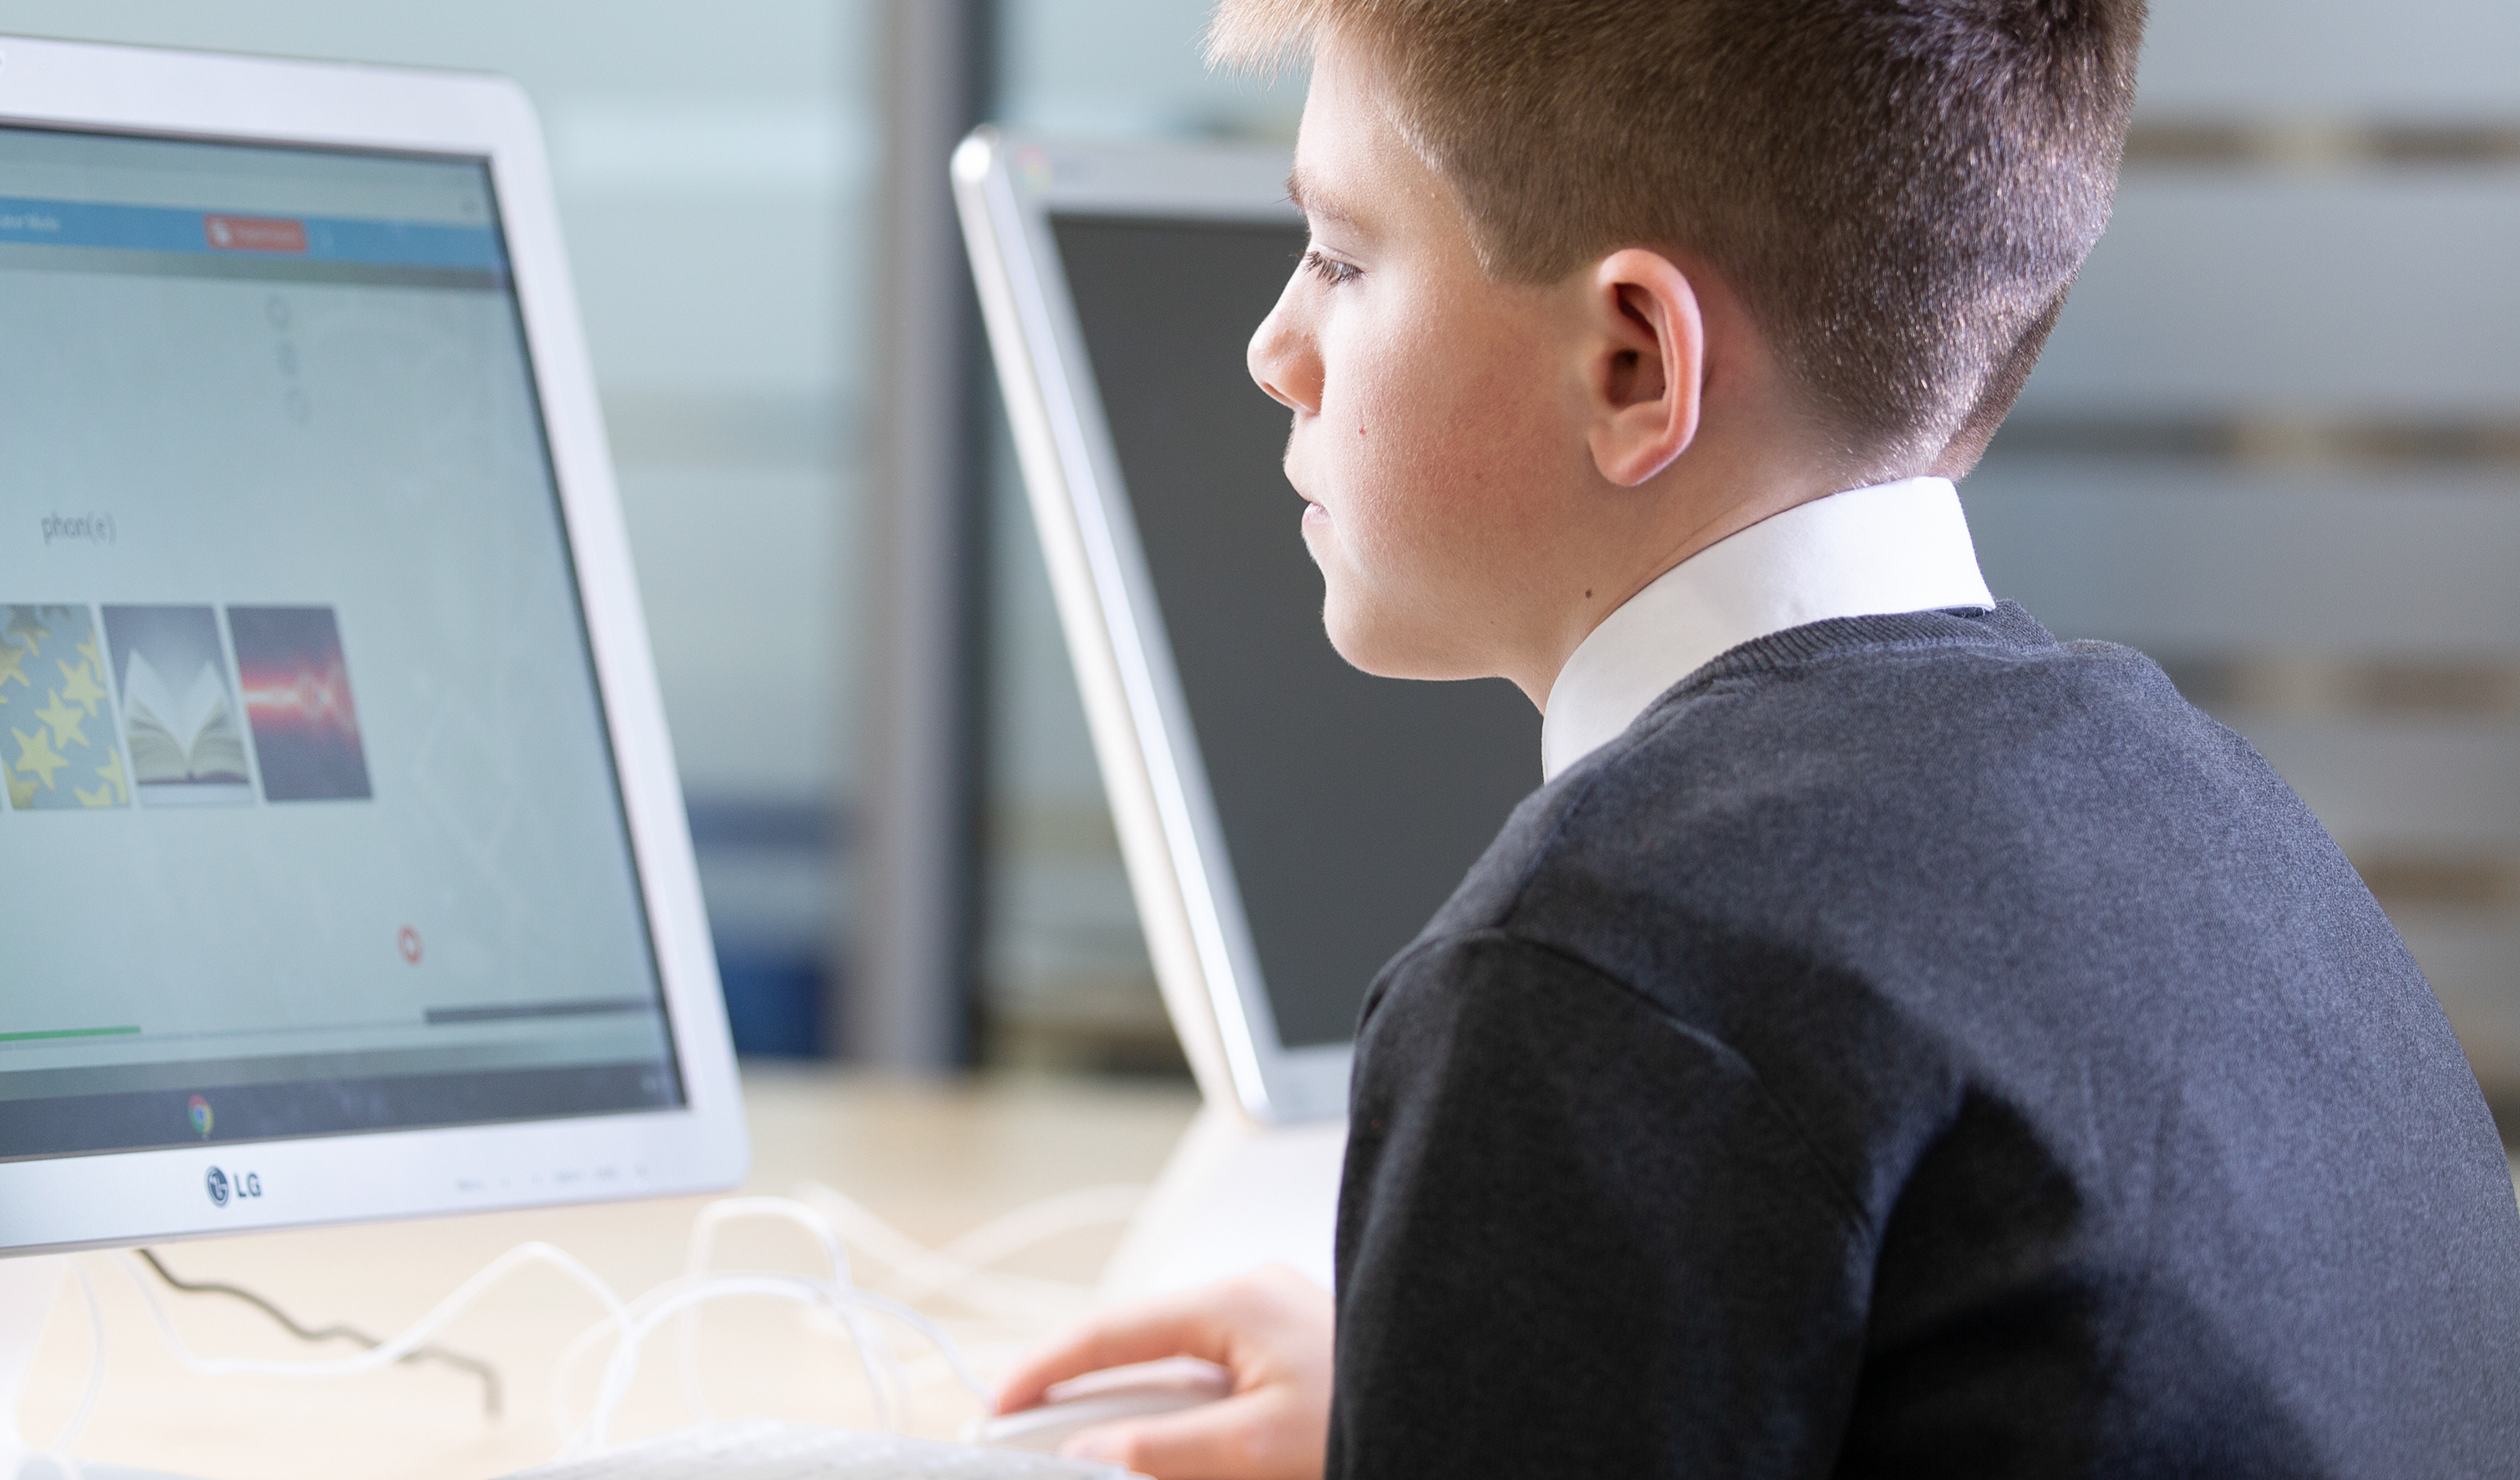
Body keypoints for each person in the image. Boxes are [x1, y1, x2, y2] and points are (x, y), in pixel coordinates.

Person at [988, 1, 2520, 1475]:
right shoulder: (2211, 811)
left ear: (1632, 364)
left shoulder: (1596, 972)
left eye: (1337, 256)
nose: (1273, 347)